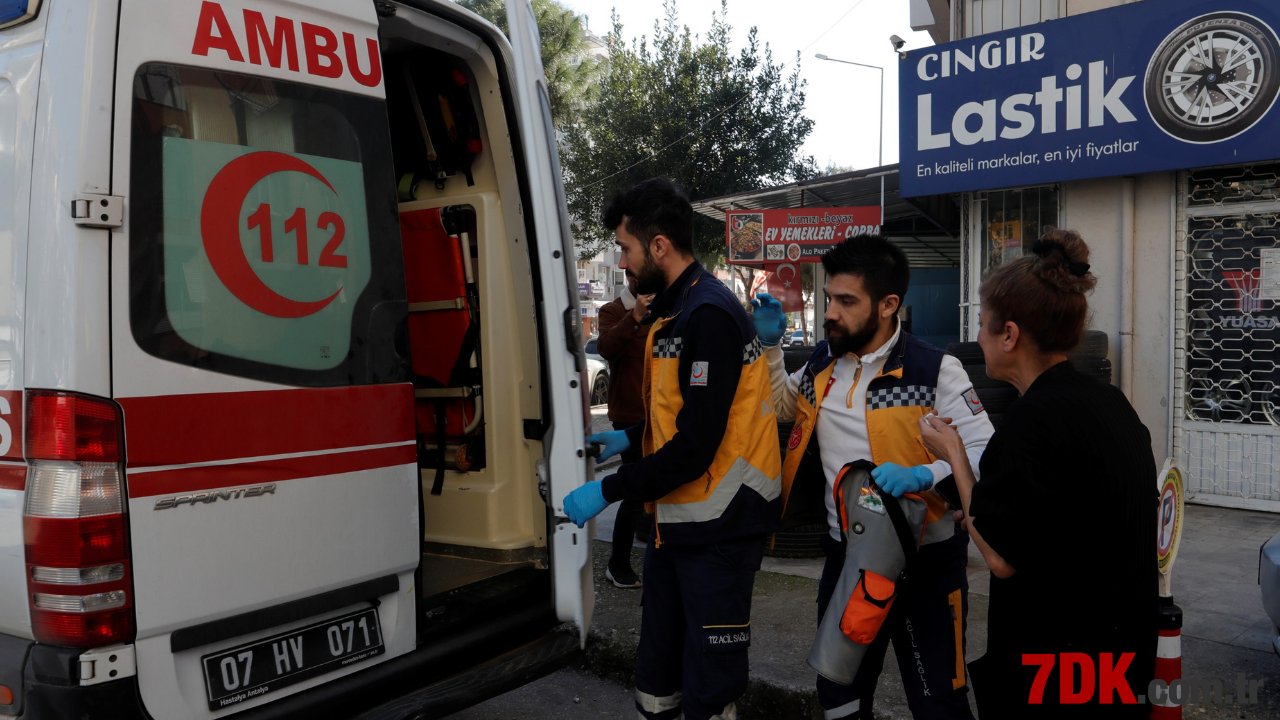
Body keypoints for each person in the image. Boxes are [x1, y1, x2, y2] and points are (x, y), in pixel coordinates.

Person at [562, 177, 782, 720]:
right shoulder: (675, 311)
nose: (623, 261)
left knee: (710, 688)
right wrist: (630, 438)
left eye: (626, 248)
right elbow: (690, 419)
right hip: (680, 525)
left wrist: (610, 487)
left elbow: (696, 447)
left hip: (721, 527)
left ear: (659, 246)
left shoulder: (706, 313)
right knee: (658, 679)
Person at [918, 230, 1157, 719]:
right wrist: (982, 508)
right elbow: (1067, 517)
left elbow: (1002, 559)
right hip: (1121, 656)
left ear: (1010, 335)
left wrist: (953, 454)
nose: (977, 338)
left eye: (983, 326)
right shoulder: (1108, 402)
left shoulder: (1033, 421)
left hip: (1059, 666)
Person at [753, 236, 993, 720]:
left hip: (926, 563)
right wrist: (772, 346)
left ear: (888, 305)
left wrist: (928, 473)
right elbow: (784, 409)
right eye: (829, 300)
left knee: (938, 702)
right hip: (848, 559)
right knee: (839, 693)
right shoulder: (821, 362)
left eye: (846, 302)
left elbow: (986, 451)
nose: (831, 313)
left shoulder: (936, 370)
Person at [595, 269, 653, 588]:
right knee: (635, 489)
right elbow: (606, 348)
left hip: (660, 414)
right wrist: (635, 316)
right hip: (629, 416)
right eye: (636, 277)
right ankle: (617, 563)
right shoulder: (613, 310)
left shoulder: (665, 309)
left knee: (658, 484)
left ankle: (659, 557)